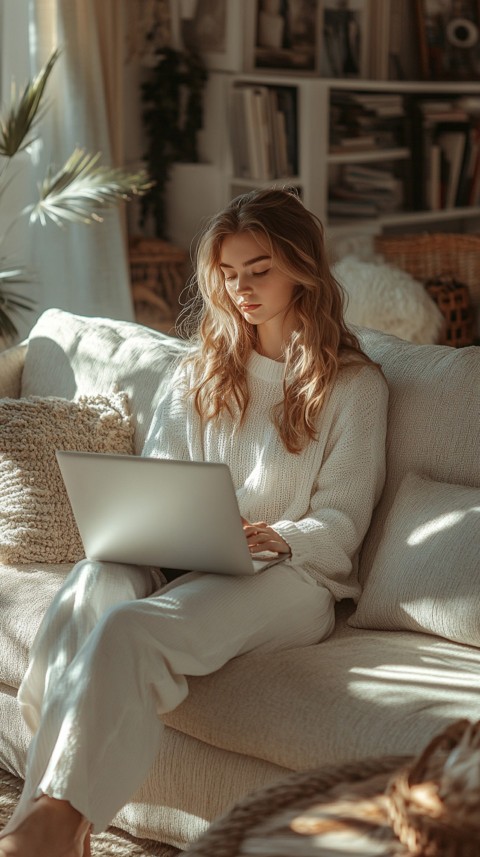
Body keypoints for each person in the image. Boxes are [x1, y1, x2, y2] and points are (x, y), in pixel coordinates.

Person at [0, 187, 388, 857]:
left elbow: (342, 523)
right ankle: (52, 817)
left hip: (293, 578)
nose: (242, 289)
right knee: (96, 581)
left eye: (259, 270)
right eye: (229, 275)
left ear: (302, 267)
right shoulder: (200, 372)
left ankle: (51, 820)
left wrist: (277, 534)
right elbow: (163, 479)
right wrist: (177, 527)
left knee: (130, 627)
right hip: (192, 551)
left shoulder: (354, 387)